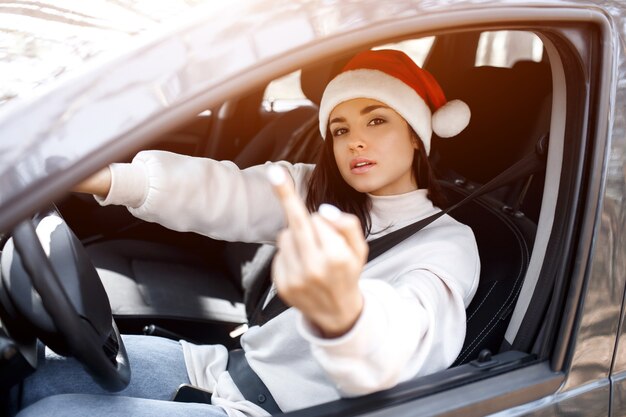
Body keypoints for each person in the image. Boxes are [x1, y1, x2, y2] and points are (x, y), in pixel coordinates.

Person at [15, 49, 479, 417]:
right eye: (340, 129)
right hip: (223, 367)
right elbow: (218, 191)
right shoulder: (314, 189)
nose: (355, 140)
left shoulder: (448, 244)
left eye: (377, 120)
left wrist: (345, 312)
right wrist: (95, 177)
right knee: (34, 380)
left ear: (418, 134)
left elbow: (407, 338)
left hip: (270, 410)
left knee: (51, 412)